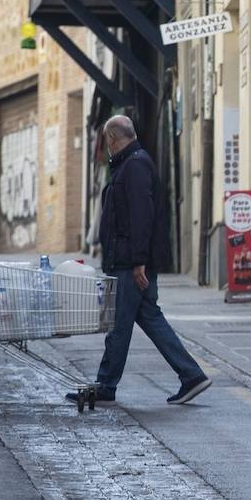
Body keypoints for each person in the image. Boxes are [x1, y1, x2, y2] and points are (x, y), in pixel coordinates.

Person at [68, 116, 210, 406]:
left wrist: (138, 262)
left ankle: (107, 384)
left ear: (110, 139)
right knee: (149, 317)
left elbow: (141, 217)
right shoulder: (132, 163)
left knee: (120, 325)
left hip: (130, 263)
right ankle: (191, 375)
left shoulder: (134, 166)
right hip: (129, 259)